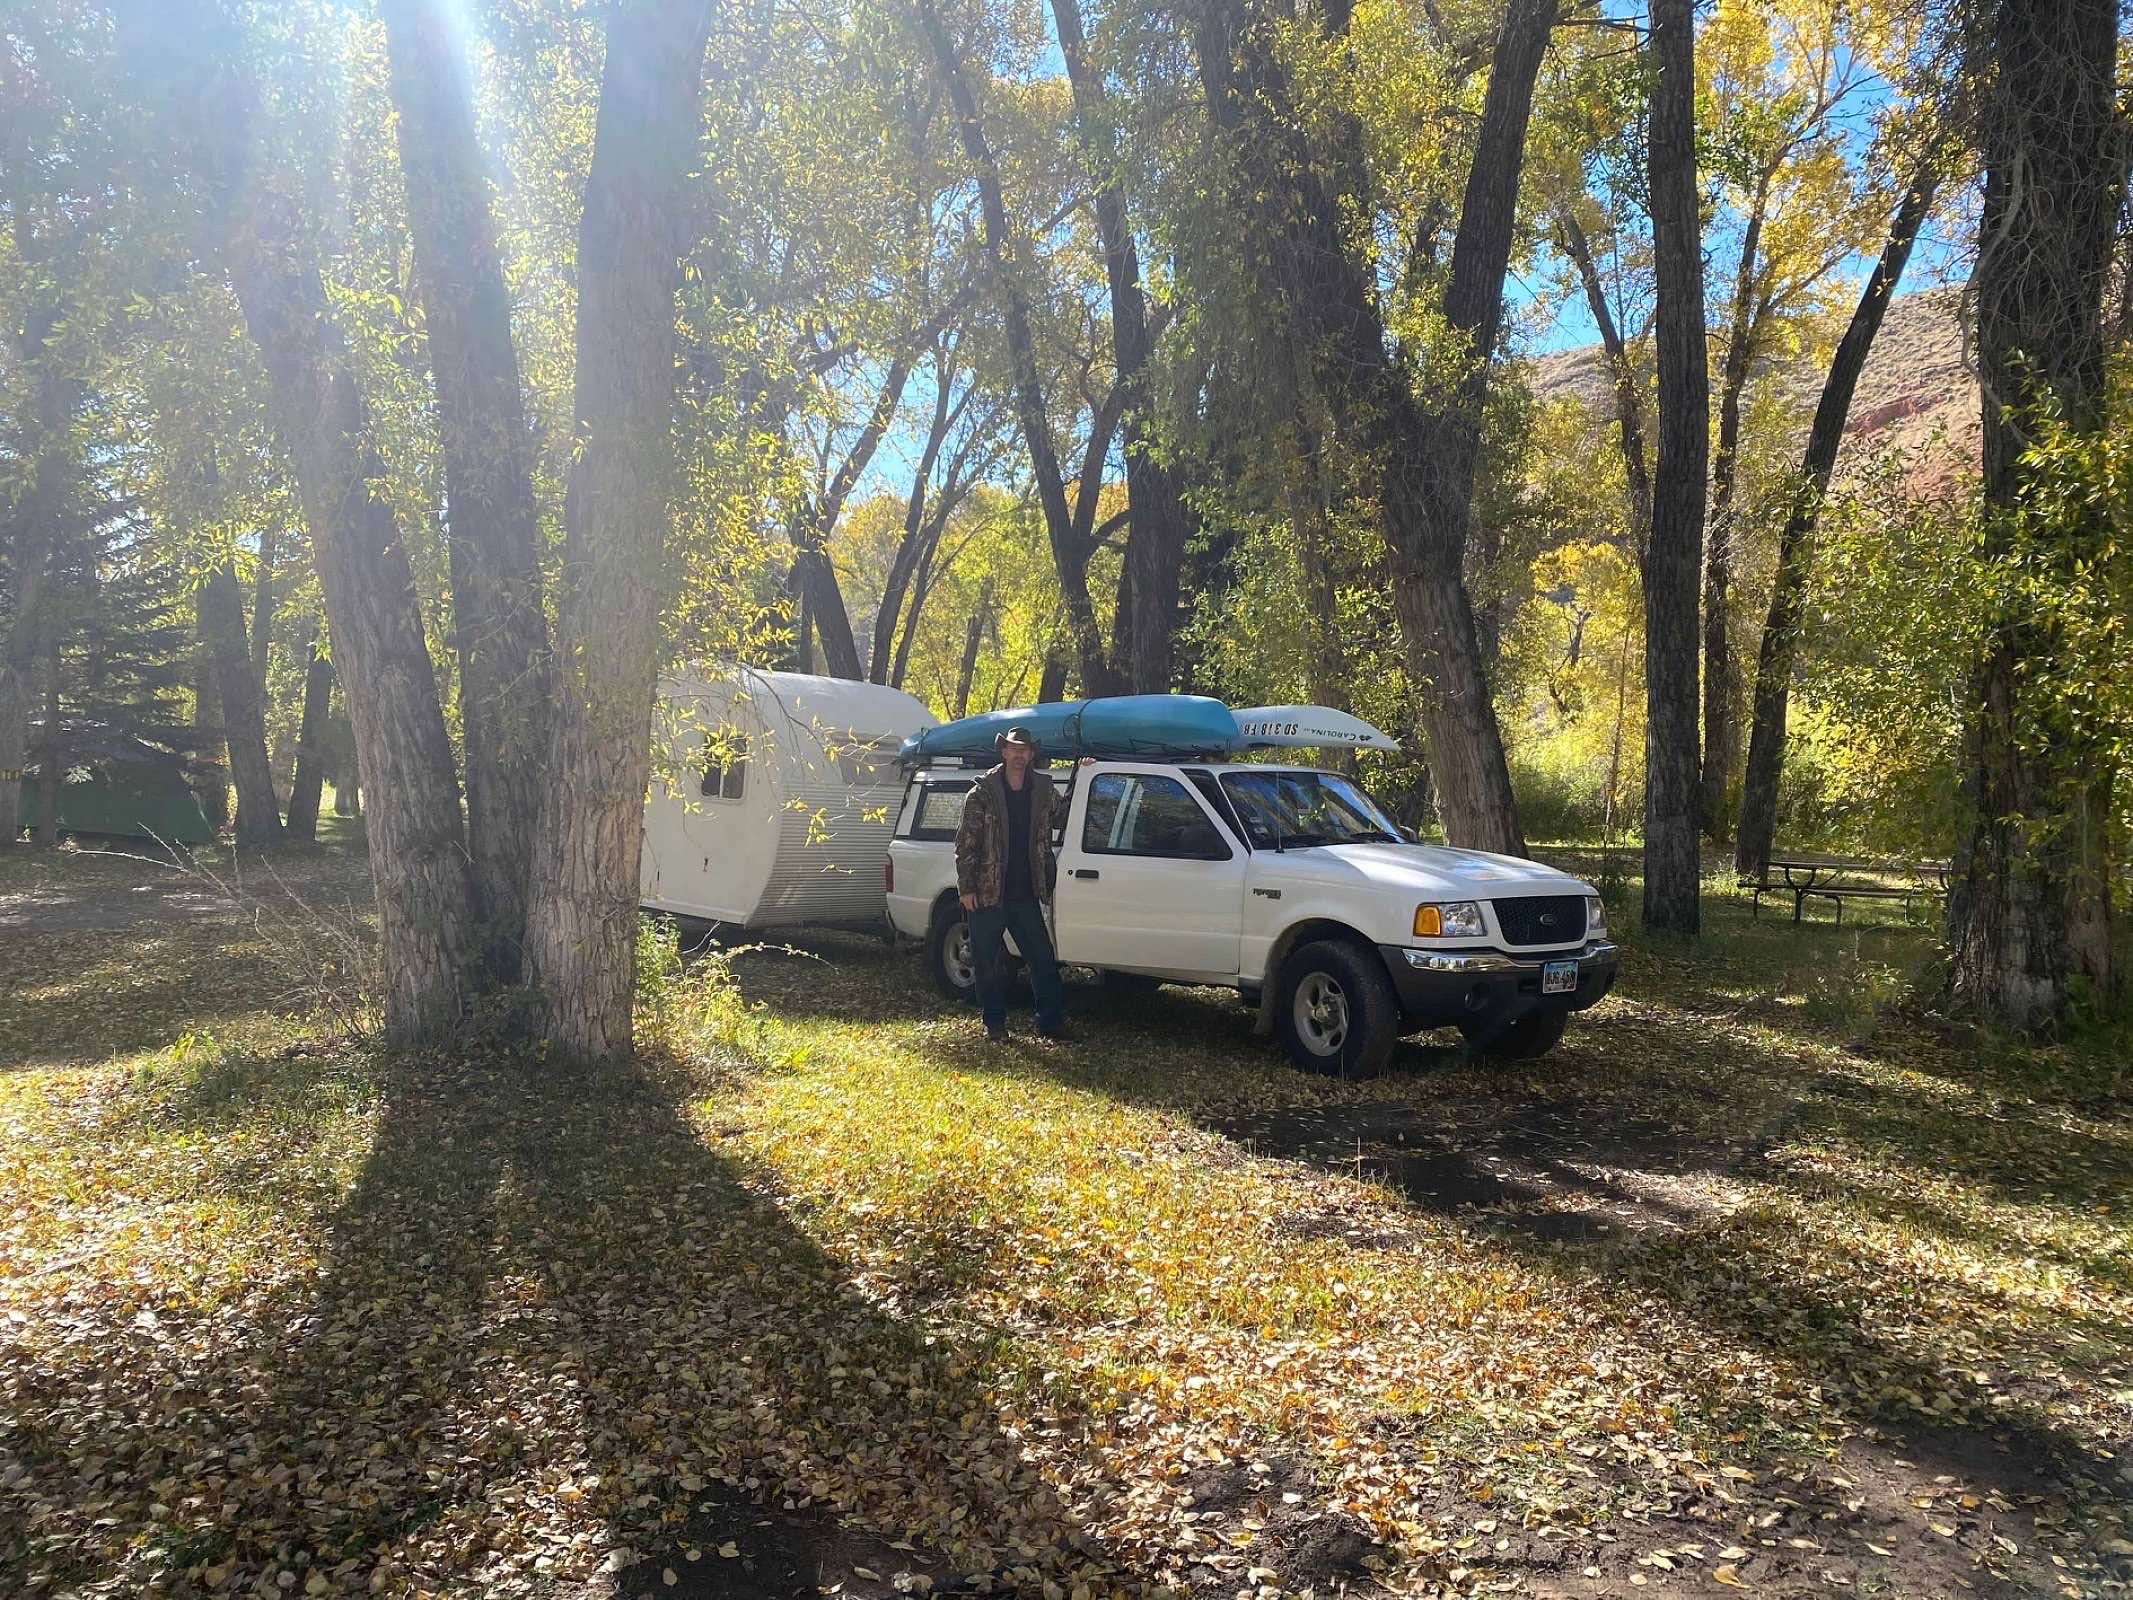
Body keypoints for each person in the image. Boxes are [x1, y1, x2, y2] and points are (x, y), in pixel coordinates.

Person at [953, 726, 1069, 1043]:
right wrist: (967, 888)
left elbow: (1064, 817)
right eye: (1013, 749)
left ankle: (1050, 1022)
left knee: (1043, 960)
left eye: (1025, 750)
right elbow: (966, 844)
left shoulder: (1044, 790)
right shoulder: (982, 793)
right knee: (987, 963)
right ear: (1003, 752)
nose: (1019, 755)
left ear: (1031, 754)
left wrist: (1084, 775)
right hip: (988, 894)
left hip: (1025, 893)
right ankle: (995, 1025)